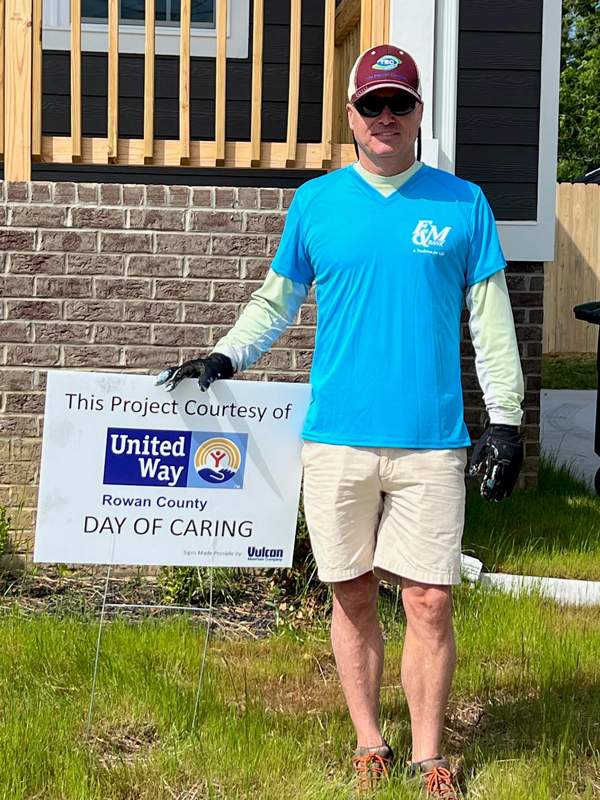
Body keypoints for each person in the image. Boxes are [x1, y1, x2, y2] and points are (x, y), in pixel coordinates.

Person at [156, 44, 524, 798]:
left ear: (420, 113)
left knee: (429, 598)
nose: (385, 117)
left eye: (400, 104)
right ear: (351, 117)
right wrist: (226, 357)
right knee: (352, 594)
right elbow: (275, 302)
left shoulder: (464, 204)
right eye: (371, 105)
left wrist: (507, 421)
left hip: (432, 442)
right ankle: (369, 743)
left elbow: (490, 324)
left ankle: (429, 756)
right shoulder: (316, 205)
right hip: (336, 440)